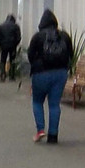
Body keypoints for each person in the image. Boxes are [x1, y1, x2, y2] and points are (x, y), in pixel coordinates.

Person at [26, 9, 73, 144]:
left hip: (41, 73)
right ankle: (53, 135)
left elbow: (30, 55)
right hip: (60, 74)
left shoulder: (38, 37)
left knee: (37, 101)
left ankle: (40, 129)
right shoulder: (64, 36)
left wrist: (36, 67)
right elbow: (71, 54)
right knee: (54, 104)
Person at [0, 14, 21, 82]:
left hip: (4, 46)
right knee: (12, 60)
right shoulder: (16, 26)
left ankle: (3, 74)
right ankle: (12, 75)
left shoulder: (1, 26)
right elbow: (18, 37)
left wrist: (1, 44)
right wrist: (15, 44)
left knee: (3, 60)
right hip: (12, 46)